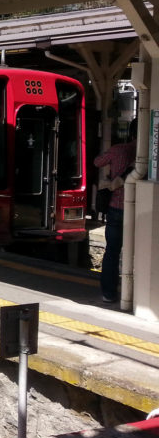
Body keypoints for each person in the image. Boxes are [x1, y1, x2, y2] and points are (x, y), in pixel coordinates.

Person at [93, 122, 137, 304]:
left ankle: (109, 294)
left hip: (116, 208)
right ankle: (136, 294)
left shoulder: (118, 149)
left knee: (112, 251)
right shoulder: (151, 154)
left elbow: (97, 162)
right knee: (139, 252)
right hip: (140, 211)